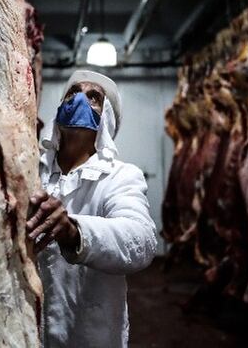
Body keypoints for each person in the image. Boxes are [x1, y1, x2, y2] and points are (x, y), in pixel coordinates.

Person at [27, 70, 157, 347]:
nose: (79, 100)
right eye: (73, 93)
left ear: (105, 118)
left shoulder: (120, 176)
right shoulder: (27, 171)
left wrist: (76, 232)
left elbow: (142, 241)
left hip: (90, 335)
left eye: (93, 97)